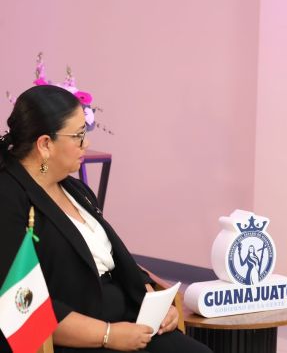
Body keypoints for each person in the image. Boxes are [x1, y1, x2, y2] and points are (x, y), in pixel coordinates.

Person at [0, 85, 213, 353]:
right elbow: (22, 301)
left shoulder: (75, 189)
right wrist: (108, 335)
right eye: (78, 136)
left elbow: (111, 258)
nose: (86, 144)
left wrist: (154, 302)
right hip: (76, 338)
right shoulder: (9, 199)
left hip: (126, 320)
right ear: (45, 144)